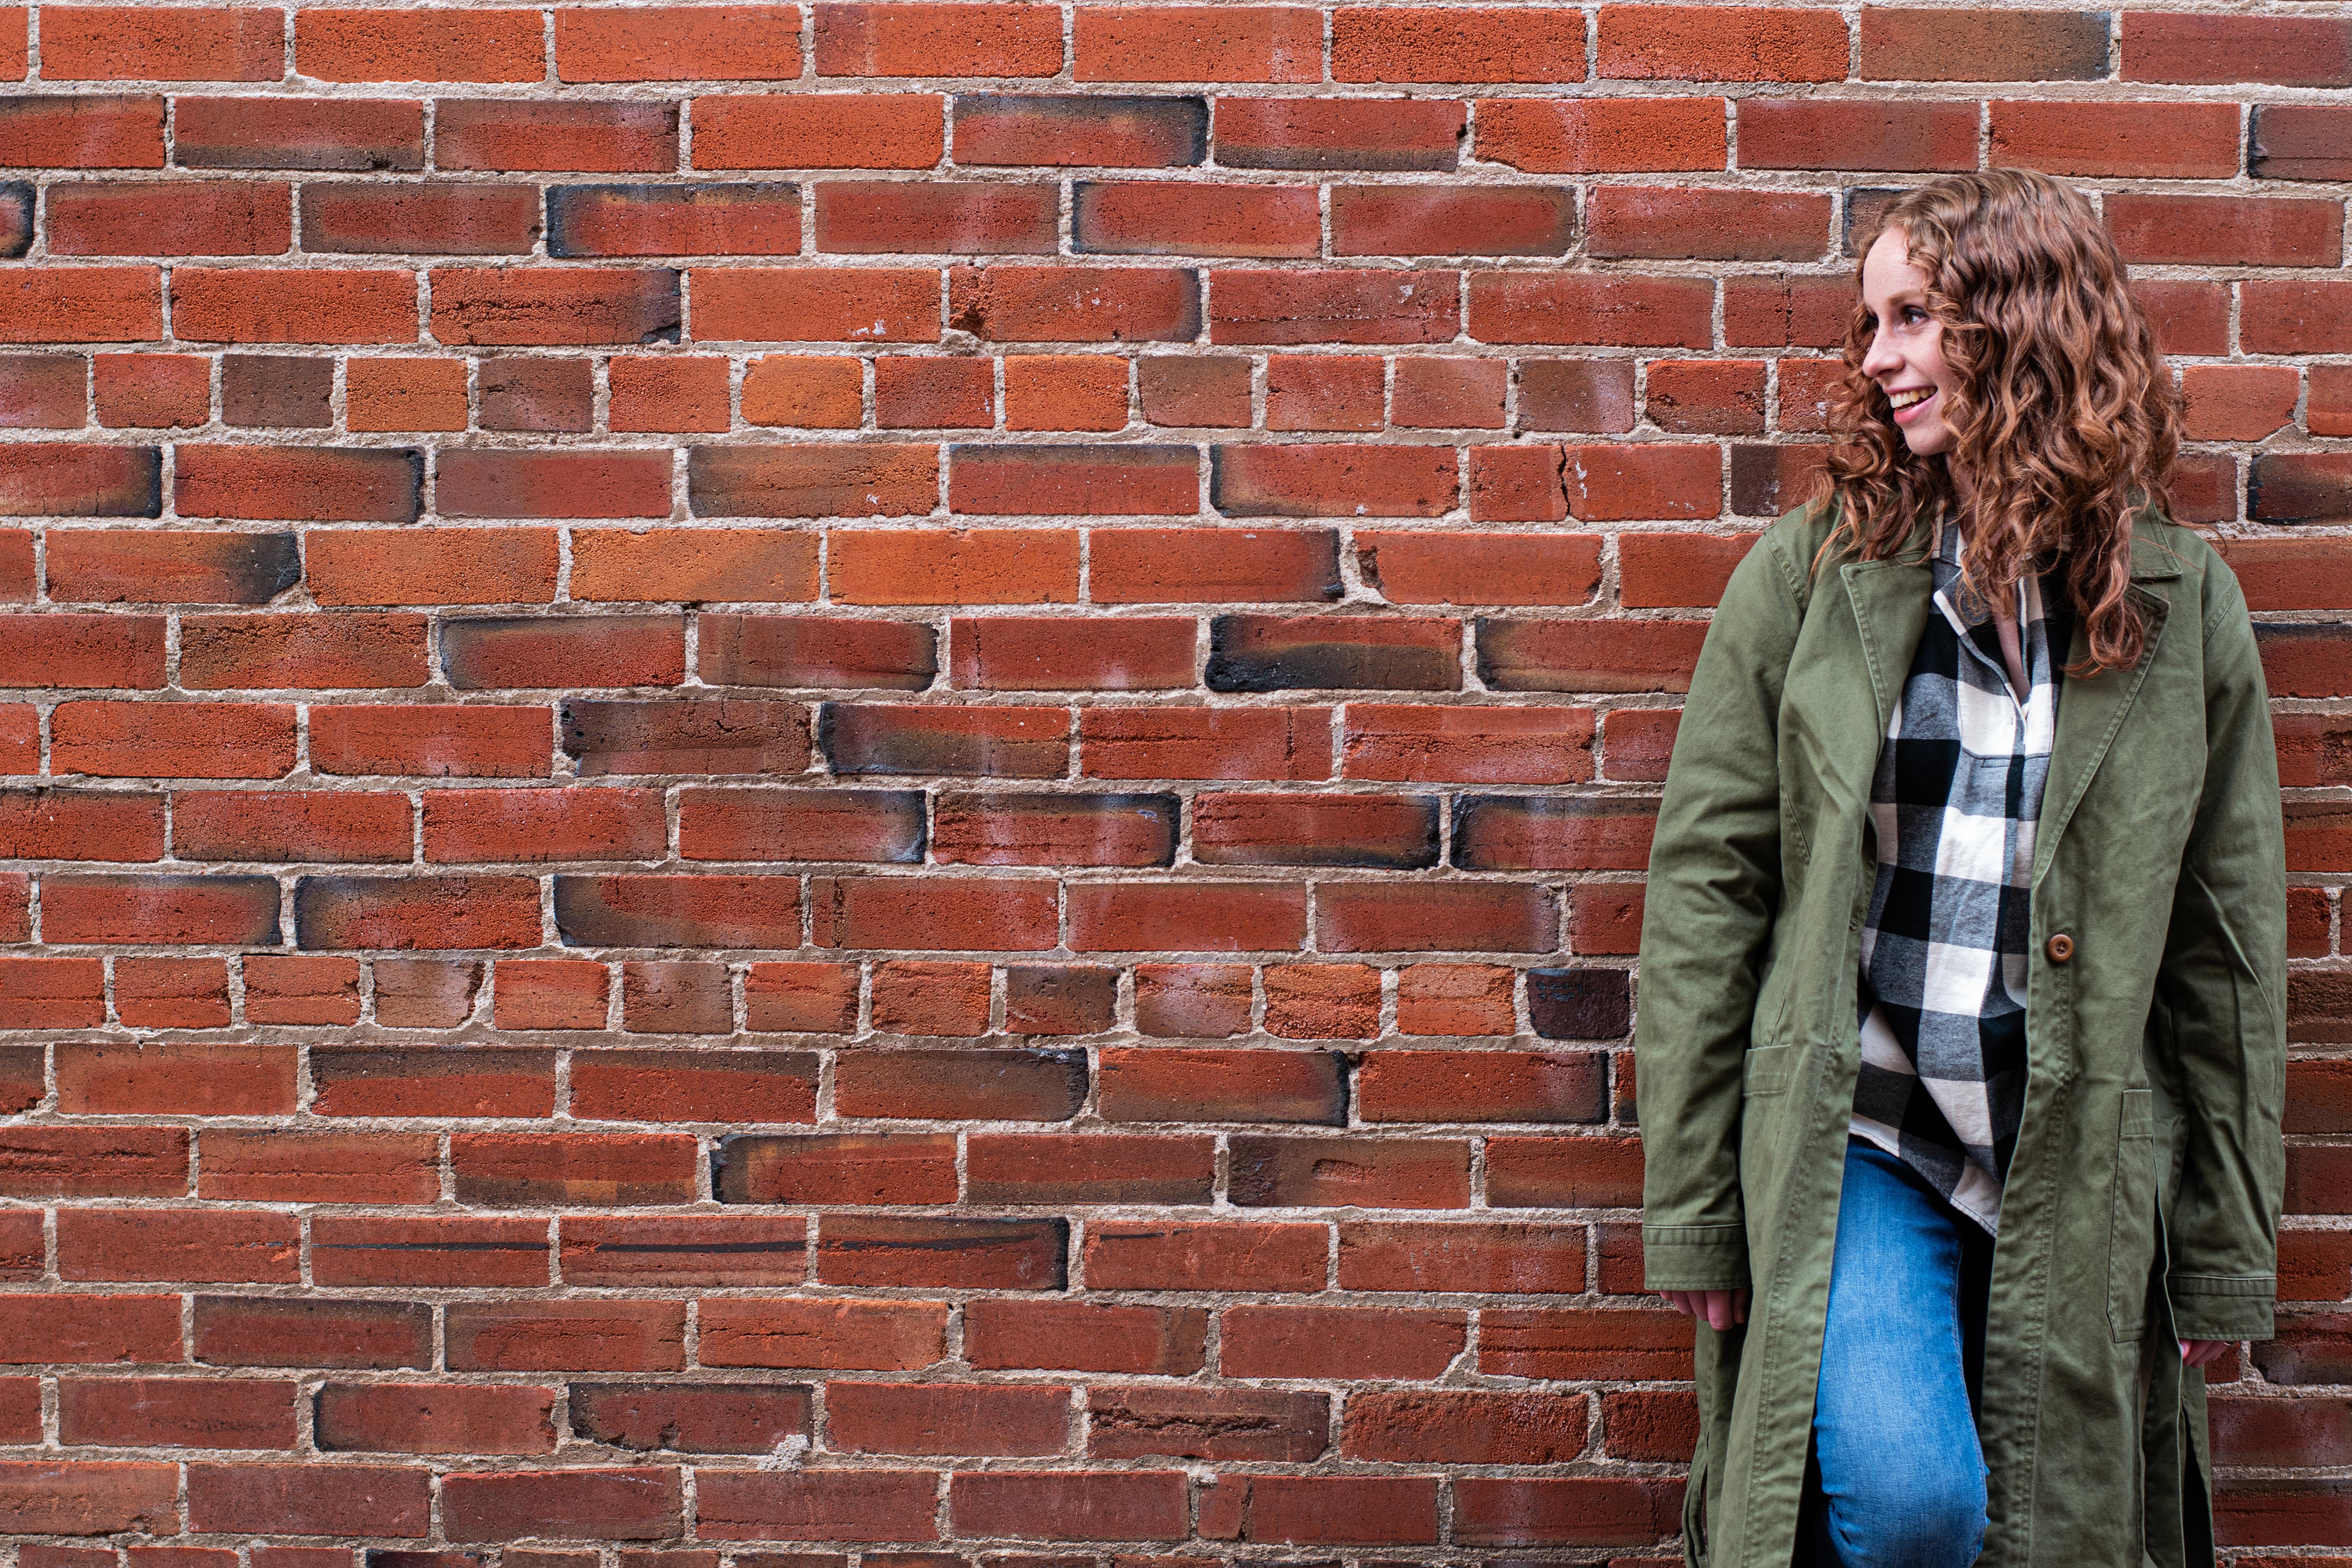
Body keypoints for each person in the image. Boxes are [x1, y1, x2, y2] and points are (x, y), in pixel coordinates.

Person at [1634, 167, 2287, 1568]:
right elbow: (1707, 897)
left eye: (1913, 318)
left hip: (2078, 1151)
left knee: (2060, 1534)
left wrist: (2224, 1239)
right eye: (1871, 324)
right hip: (1869, 1133)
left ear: (2020, 328)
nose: (1877, 361)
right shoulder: (1810, 581)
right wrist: (1694, 1214)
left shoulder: (2182, 604)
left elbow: (2225, 953)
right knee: (1920, 1506)